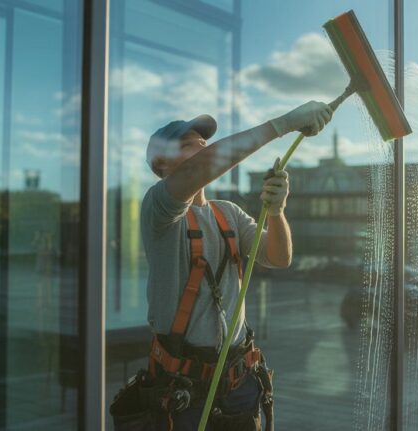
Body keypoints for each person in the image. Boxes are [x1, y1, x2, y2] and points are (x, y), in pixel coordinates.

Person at [111, 100, 333, 431]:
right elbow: (199, 169)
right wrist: (284, 123)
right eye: (189, 147)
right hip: (180, 390)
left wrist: (276, 211)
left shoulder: (227, 212)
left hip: (238, 382)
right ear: (162, 164)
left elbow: (278, 257)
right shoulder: (158, 209)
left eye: (205, 145)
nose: (204, 151)